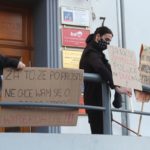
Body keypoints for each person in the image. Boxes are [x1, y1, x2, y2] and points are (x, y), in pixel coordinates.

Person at [79, 26, 132, 134]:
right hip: (95, 102)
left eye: (109, 41)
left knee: (105, 133)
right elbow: (100, 68)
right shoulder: (90, 52)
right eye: (106, 40)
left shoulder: (99, 54)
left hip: (102, 102)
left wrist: (120, 87)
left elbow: (109, 70)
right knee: (100, 134)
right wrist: (116, 87)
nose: (107, 44)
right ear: (98, 36)